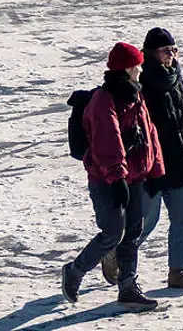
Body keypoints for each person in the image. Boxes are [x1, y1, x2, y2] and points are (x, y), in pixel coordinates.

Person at [61, 42, 165, 312]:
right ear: (128, 68)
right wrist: (118, 178)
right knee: (112, 233)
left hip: (135, 177)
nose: (141, 70)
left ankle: (128, 287)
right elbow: (108, 143)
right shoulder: (103, 100)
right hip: (107, 180)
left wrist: (156, 171)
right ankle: (75, 270)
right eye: (138, 65)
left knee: (132, 233)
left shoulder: (135, 95)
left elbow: (149, 135)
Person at [132, 28, 183, 291]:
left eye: (174, 50)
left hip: (179, 164)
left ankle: (177, 271)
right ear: (151, 53)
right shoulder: (141, 82)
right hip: (153, 166)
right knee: (146, 223)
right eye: (166, 51)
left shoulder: (176, 76)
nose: (171, 56)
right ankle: (119, 258)